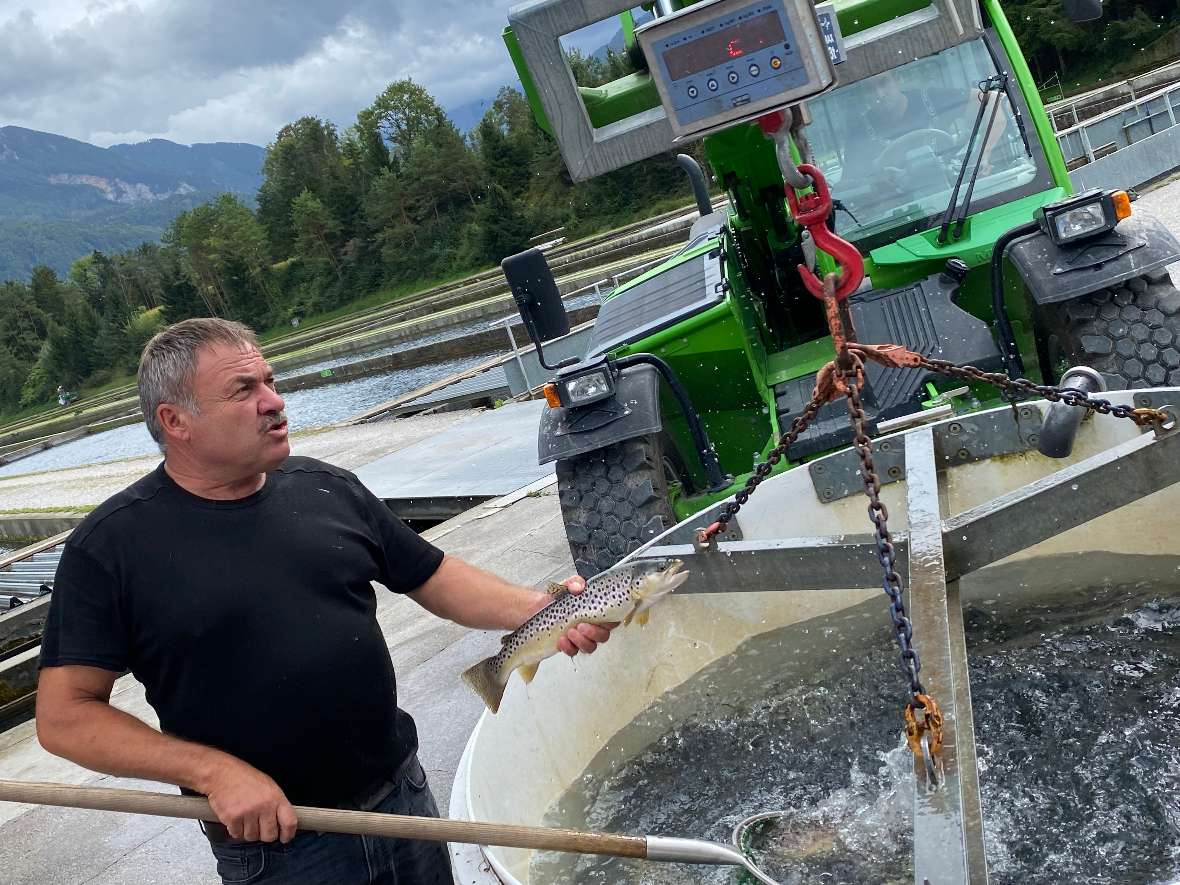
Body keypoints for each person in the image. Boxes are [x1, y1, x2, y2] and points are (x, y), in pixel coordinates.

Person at [35, 317, 614, 884]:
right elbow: (65, 717)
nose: (273, 401)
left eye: (270, 380)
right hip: (282, 845)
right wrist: (211, 772)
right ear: (175, 420)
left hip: (403, 801)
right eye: (244, 390)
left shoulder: (326, 487)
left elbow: (433, 577)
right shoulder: (109, 549)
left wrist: (542, 609)